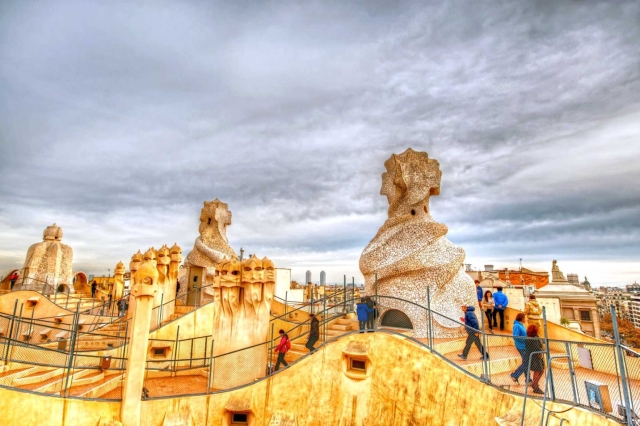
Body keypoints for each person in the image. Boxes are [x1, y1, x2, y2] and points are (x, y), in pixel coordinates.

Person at [524, 324, 545, 394]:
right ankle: (535, 386)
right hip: (536, 357)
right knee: (538, 370)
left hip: (533, 356)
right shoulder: (534, 338)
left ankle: (535, 384)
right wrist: (541, 352)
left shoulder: (529, 337)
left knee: (540, 370)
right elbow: (537, 347)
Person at [510, 313, 528, 384]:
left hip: (524, 346)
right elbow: (515, 336)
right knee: (526, 362)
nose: (526, 319)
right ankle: (515, 375)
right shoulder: (517, 326)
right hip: (521, 346)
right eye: (525, 318)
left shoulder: (522, 325)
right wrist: (525, 339)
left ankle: (528, 379)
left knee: (526, 362)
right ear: (522, 318)